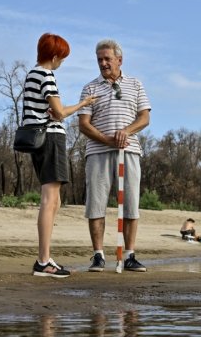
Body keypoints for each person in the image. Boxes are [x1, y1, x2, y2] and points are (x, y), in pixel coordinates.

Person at [25, 33, 96, 278]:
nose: (61, 63)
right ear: (54, 56)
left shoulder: (32, 74)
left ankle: (45, 258)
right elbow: (59, 113)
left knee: (52, 200)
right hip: (50, 139)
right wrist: (83, 103)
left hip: (39, 139)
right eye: (62, 58)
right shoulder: (46, 75)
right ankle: (43, 261)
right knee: (50, 200)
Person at [78, 39, 151, 272]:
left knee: (130, 203)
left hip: (128, 151)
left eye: (107, 59)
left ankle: (129, 255)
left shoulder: (136, 84)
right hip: (98, 152)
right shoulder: (90, 88)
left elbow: (144, 118)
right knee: (96, 204)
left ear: (119, 60)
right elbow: (84, 124)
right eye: (99, 59)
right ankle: (98, 256)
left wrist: (125, 132)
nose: (103, 63)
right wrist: (107, 139)